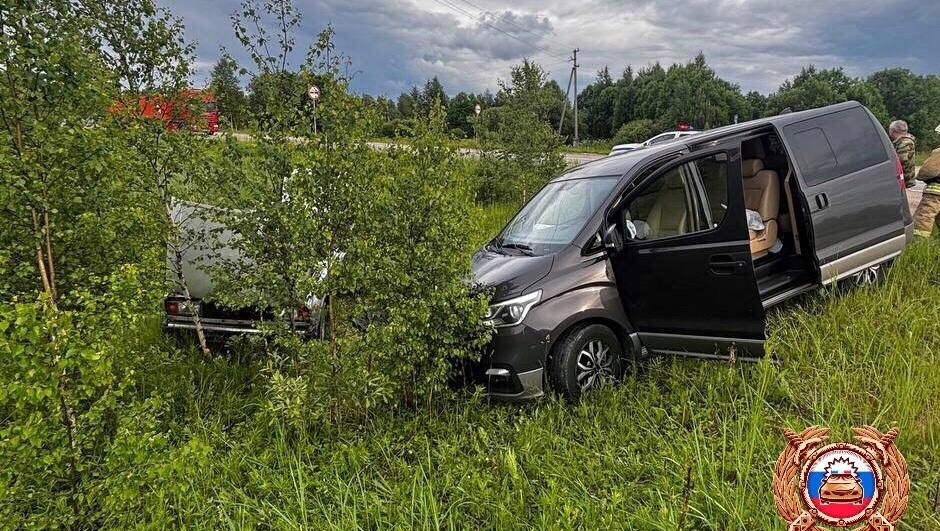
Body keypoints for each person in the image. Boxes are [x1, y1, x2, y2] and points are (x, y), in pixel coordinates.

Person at [912, 125, 940, 238]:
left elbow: (928, 171)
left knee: (924, 217)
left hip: (936, 192)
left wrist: (920, 176)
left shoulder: (938, 152)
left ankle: (919, 241)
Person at [888, 120, 917, 188]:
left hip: (903, 179)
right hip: (902, 178)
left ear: (893, 130)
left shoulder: (905, 143)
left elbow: (900, 160)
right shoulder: (901, 142)